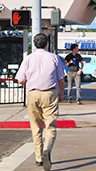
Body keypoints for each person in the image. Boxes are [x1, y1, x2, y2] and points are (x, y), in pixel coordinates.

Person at [15, 33, 66, 171]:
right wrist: (61, 93)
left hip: (33, 94)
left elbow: (20, 80)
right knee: (51, 125)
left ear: (34, 44)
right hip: (50, 93)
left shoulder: (28, 59)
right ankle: (47, 150)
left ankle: (38, 157)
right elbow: (61, 79)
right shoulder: (54, 58)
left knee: (36, 126)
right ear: (47, 44)